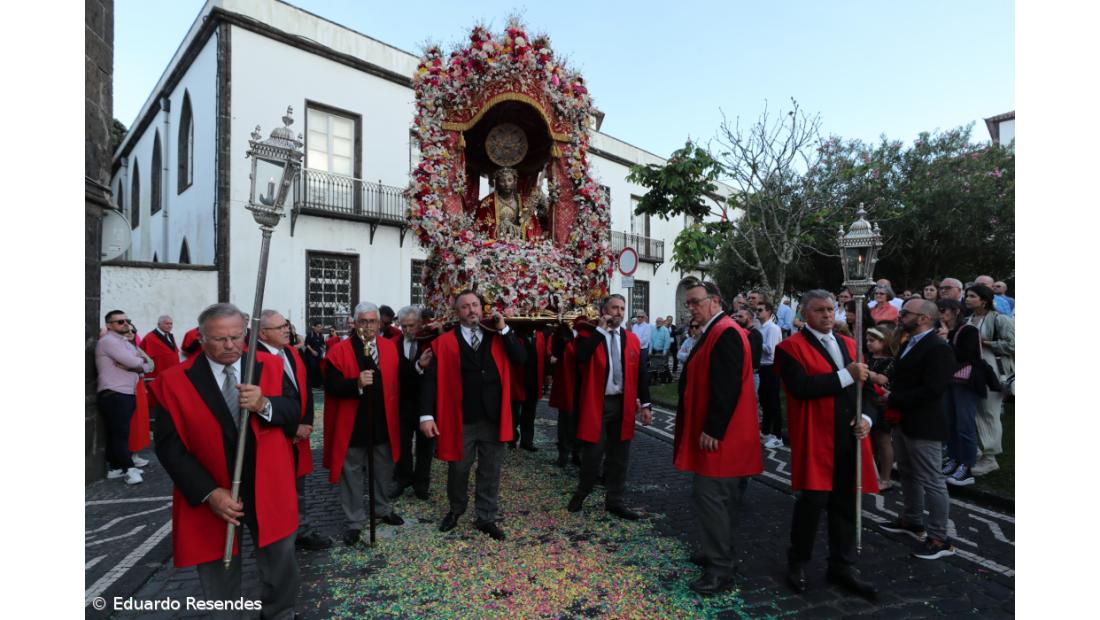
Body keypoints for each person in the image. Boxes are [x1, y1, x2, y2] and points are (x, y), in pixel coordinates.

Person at [152, 303, 300, 617]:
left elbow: (293, 412)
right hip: (215, 490)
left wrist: (264, 404)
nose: (231, 345)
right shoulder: (174, 380)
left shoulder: (269, 366)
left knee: (280, 559)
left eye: (237, 336)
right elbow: (169, 448)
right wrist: (209, 493)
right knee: (218, 572)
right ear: (201, 338)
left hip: (268, 485)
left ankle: (278, 612)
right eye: (220, 339)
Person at [775, 290, 879, 599]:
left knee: (845, 505)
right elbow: (802, 388)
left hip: (849, 438)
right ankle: (798, 562)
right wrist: (846, 375)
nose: (827, 315)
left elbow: (868, 391)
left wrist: (867, 419)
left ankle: (842, 565)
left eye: (831, 309)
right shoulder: (789, 348)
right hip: (817, 438)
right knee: (812, 504)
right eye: (820, 310)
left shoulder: (850, 344)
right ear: (805, 314)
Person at [674, 280, 762, 595]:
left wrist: (713, 428)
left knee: (711, 497)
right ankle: (716, 552)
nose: (692, 308)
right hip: (722, 434)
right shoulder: (717, 329)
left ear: (714, 300)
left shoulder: (724, 332)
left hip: (722, 438)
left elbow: (726, 386)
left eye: (696, 301)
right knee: (716, 500)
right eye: (689, 303)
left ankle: (720, 568)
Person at [419, 290, 526, 540]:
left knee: (491, 470)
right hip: (460, 418)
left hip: (493, 417)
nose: (472, 310)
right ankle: (456, 509)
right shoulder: (445, 342)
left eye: (475, 305)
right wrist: (426, 415)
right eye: (465, 307)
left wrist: (505, 329)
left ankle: (486, 517)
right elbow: (430, 380)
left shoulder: (497, 337)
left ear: (483, 308)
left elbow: (521, 359)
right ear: (458, 313)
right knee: (458, 468)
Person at [879, 299, 957, 560]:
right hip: (905, 420)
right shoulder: (909, 342)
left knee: (932, 480)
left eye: (905, 313)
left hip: (925, 423)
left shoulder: (937, 347)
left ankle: (939, 537)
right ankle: (912, 520)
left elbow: (934, 389)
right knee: (908, 473)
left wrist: (894, 399)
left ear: (924, 318)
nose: (900, 316)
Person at [323, 302, 405, 546]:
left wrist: (419, 366)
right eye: (363, 321)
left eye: (372, 321)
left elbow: (398, 379)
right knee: (352, 474)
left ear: (380, 323)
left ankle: (382, 508)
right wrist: (356, 384)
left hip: (383, 421)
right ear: (355, 323)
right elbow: (331, 385)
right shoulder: (339, 351)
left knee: (382, 470)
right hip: (353, 423)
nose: (368, 326)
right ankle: (354, 521)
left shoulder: (389, 348)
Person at [568, 294, 654, 519]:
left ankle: (615, 500)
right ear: (603, 310)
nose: (618, 312)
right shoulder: (589, 335)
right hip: (598, 404)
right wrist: (601, 331)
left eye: (622, 308)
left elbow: (641, 373)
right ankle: (582, 491)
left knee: (620, 455)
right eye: (614, 308)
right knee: (593, 454)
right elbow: (581, 358)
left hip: (622, 403)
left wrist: (646, 404)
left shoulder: (631, 338)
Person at [256, 310, 332, 551]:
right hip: (274, 435)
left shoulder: (290, 352)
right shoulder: (254, 360)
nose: (287, 330)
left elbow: (304, 388)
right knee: (277, 488)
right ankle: (282, 533)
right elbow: (263, 402)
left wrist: (307, 422)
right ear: (262, 333)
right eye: (280, 327)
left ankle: (301, 528)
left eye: (286, 325)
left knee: (298, 485)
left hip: (300, 433)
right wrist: (293, 427)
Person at [97, 310, 150, 485]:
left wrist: (135, 365)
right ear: (109, 325)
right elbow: (136, 362)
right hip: (115, 393)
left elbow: (147, 365)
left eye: (127, 320)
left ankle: (115, 467)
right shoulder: (108, 342)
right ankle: (129, 468)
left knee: (117, 433)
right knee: (120, 434)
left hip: (125, 392)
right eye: (120, 322)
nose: (125, 323)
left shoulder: (124, 342)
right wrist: (136, 364)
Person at [965, 284, 1014, 476]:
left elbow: (1013, 344)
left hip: (993, 371)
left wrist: (986, 343)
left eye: (972, 296)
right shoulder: (968, 319)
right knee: (975, 412)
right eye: (967, 295)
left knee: (989, 413)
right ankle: (979, 452)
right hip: (974, 371)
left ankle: (990, 458)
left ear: (983, 300)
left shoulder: (1000, 319)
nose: (967, 299)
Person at [936, 299, 985, 487]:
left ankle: (967, 466)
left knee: (965, 425)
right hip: (948, 381)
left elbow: (967, 357)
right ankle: (955, 460)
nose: (940, 314)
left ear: (956, 311)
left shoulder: (968, 330)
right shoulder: (938, 329)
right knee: (950, 423)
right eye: (938, 310)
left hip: (964, 382)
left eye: (943, 310)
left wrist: (947, 339)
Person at [393, 305, 435, 500]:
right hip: (401, 403)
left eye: (410, 325)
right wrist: (418, 366)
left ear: (420, 324)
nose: (407, 330)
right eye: (403, 326)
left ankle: (421, 483)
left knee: (425, 446)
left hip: (425, 404)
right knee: (401, 444)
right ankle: (402, 479)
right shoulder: (393, 344)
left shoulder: (430, 342)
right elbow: (396, 372)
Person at [864, 326, 899, 491]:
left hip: (882, 404)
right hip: (868, 403)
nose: (868, 343)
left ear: (884, 342)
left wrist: (862, 371)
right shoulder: (868, 358)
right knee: (872, 441)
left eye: (872, 340)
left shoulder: (891, 361)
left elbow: (881, 379)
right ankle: (873, 474)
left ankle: (886, 478)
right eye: (867, 340)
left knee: (883, 441)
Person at [548, 321, 583, 468]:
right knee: (565, 421)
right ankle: (564, 453)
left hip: (580, 386)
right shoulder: (563, 338)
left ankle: (576, 452)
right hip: (568, 385)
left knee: (578, 421)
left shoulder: (584, 339)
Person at [510, 325, 547, 451]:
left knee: (529, 414)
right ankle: (512, 440)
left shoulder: (540, 335)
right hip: (517, 379)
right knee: (514, 413)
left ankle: (527, 441)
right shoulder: (514, 334)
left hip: (533, 380)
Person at [123, 326, 155, 468]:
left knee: (140, 421)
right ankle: (128, 456)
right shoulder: (121, 348)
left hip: (140, 385)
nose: (130, 333)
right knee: (132, 422)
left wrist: (140, 365)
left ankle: (135, 454)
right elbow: (129, 365)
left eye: (133, 331)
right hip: (129, 387)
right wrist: (142, 365)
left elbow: (151, 365)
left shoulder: (135, 347)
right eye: (126, 331)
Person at [754, 301, 783, 449]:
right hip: (763, 368)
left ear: (769, 311)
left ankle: (777, 435)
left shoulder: (772, 328)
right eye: (756, 310)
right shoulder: (761, 328)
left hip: (771, 367)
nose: (757, 312)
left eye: (760, 310)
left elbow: (770, 349)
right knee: (765, 400)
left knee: (773, 401)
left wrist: (754, 343)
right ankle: (766, 431)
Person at [140, 315, 182, 381]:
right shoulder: (149, 337)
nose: (170, 326)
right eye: (167, 323)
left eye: (171, 323)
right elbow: (142, 355)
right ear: (159, 324)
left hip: (173, 373)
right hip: (159, 375)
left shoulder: (170, 336)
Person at [303, 321, 327, 389]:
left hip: (318, 354)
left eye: (320, 327)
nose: (320, 328)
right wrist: (312, 351)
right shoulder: (310, 334)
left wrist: (323, 348)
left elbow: (322, 344)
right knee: (311, 368)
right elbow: (306, 344)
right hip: (310, 354)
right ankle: (311, 384)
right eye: (318, 327)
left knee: (318, 368)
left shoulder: (321, 335)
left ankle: (318, 384)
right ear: (315, 327)